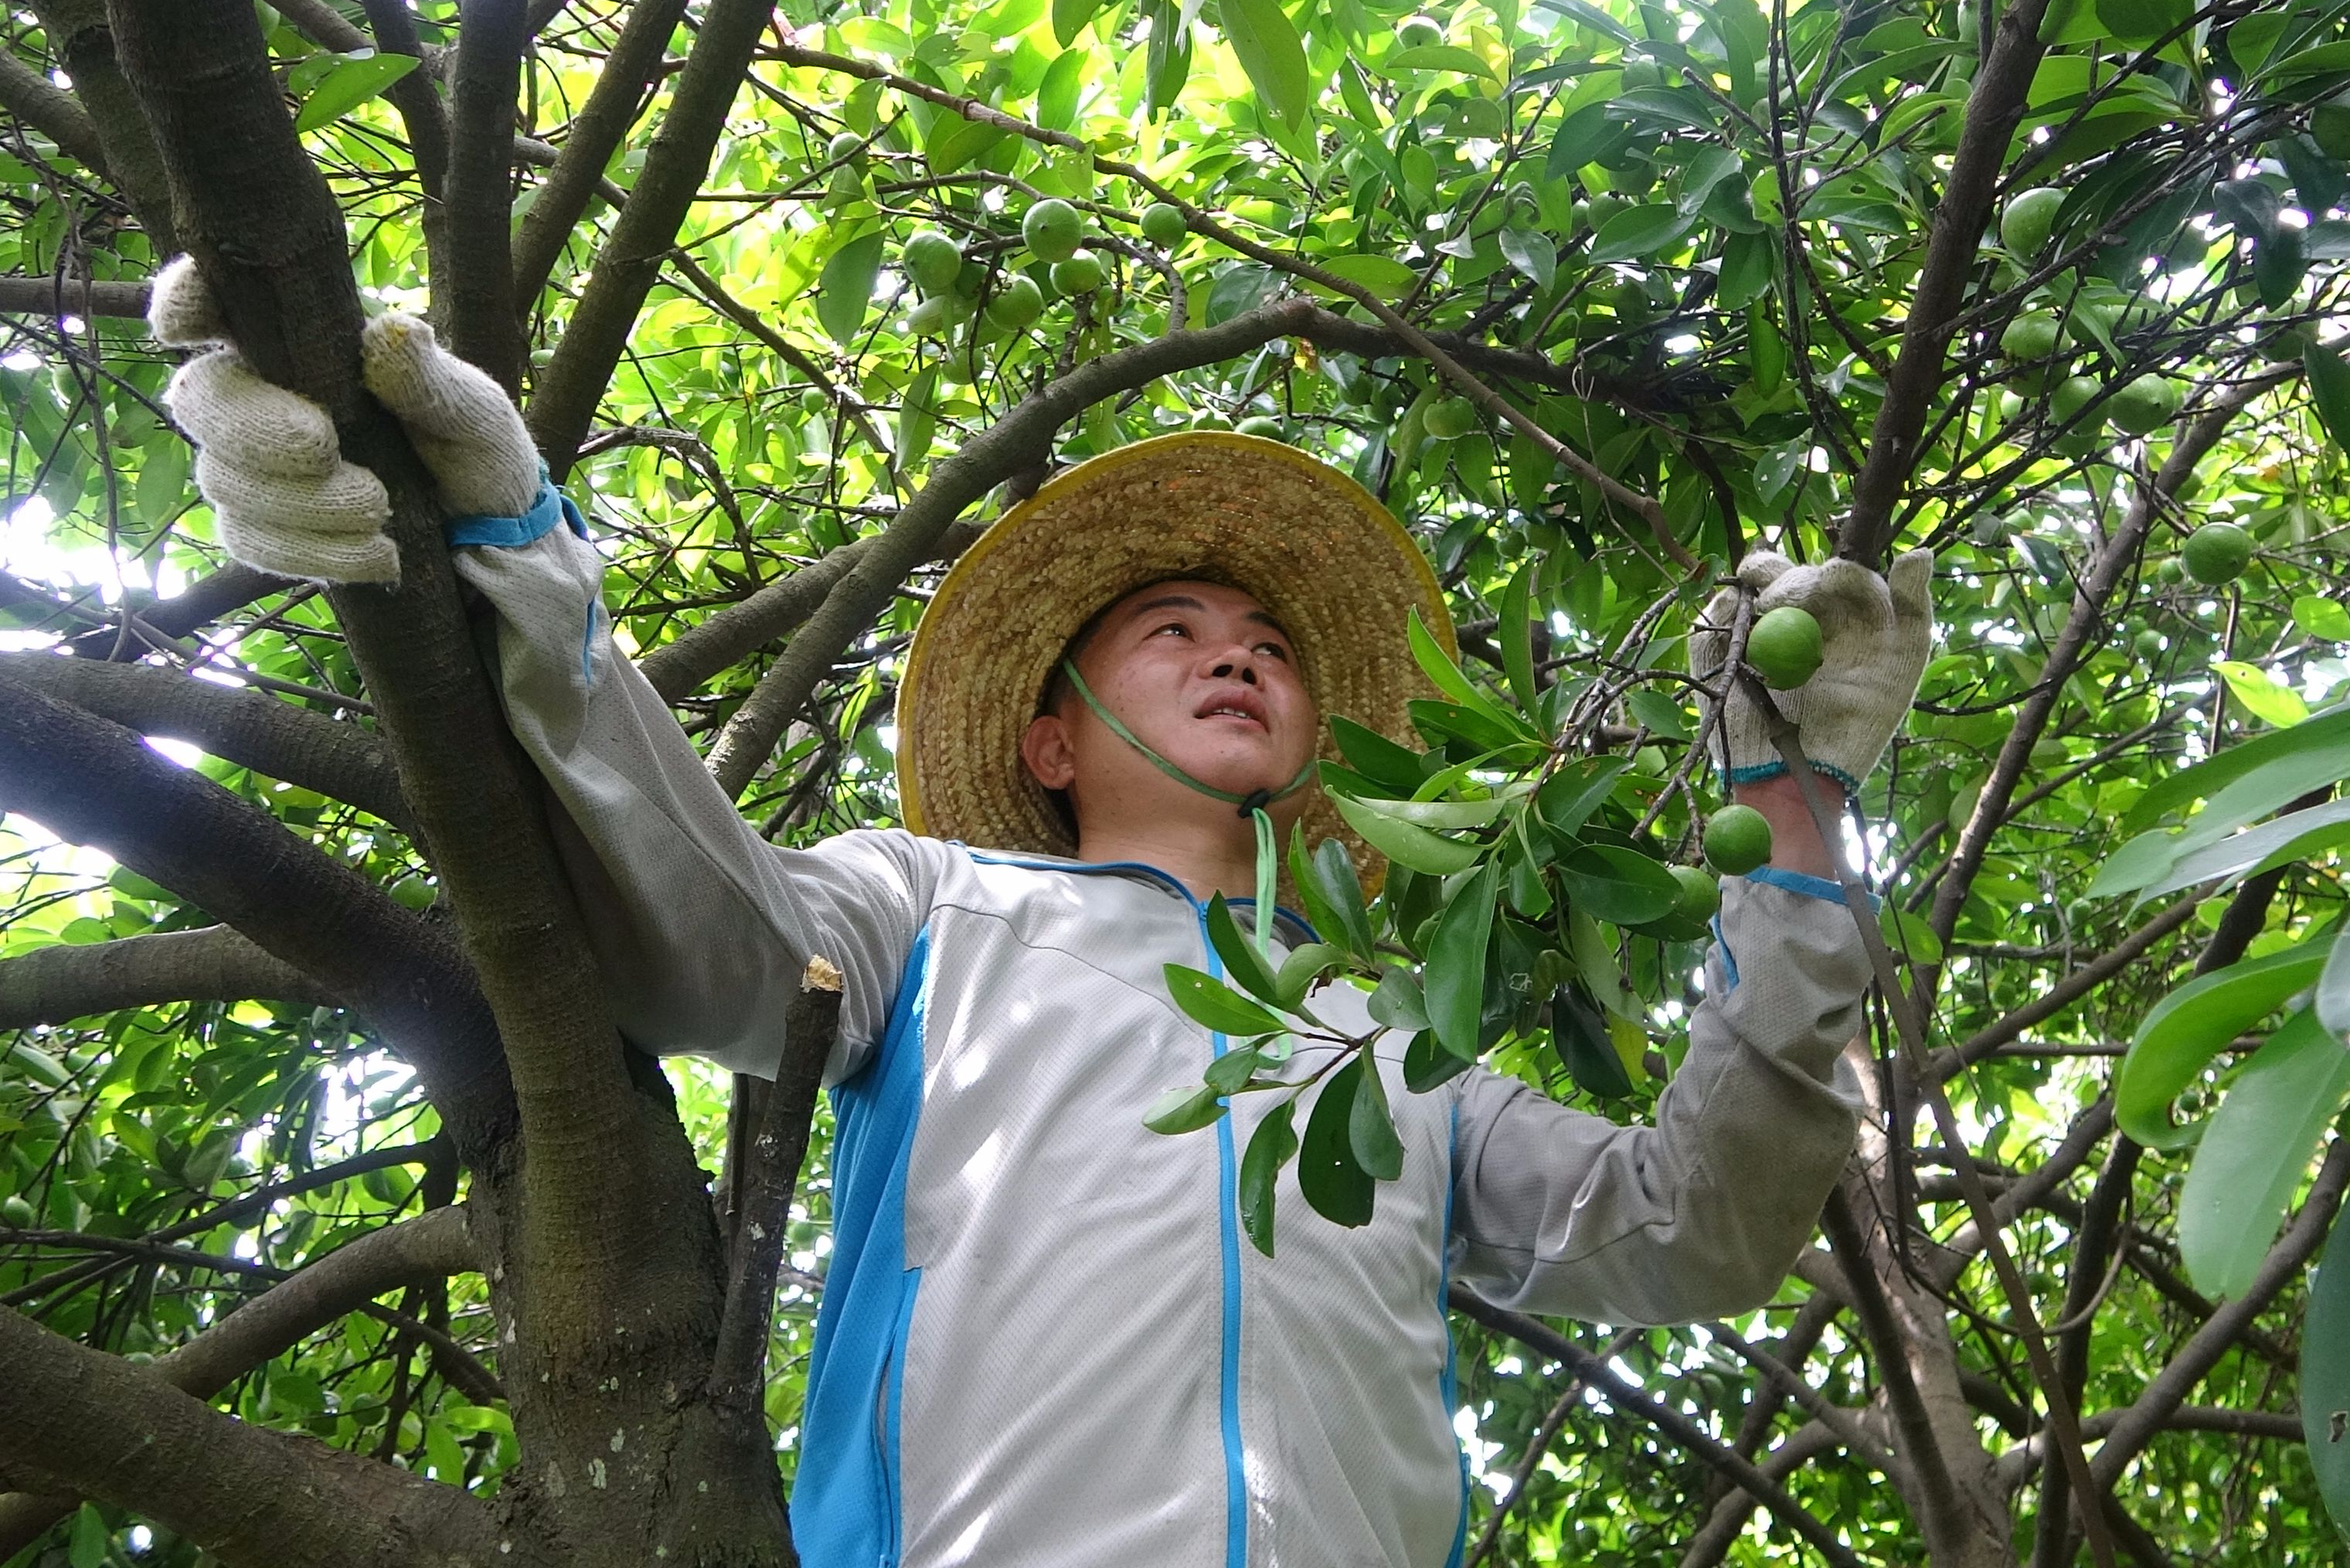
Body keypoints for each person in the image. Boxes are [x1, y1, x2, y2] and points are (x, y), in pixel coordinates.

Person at [149, 260, 1933, 1568]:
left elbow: (1693, 1227)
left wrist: (1792, 807)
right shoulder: (936, 903)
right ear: (1051, 737)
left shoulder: (1390, 1043)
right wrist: (511, 546)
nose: (1238, 647)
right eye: (1175, 629)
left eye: (1267, 645)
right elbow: (708, 952)